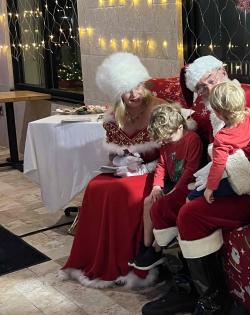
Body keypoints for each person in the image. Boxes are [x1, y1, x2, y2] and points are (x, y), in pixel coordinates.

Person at [141, 56, 250, 314]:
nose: (208, 90)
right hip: (220, 180)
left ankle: (214, 301)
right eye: (201, 88)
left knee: (190, 214)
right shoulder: (215, 108)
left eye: (210, 81)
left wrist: (228, 175)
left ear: (223, 72)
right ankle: (185, 287)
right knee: (164, 208)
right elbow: (195, 121)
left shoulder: (249, 100)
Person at [60, 52, 168, 289]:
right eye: (127, 89)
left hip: (155, 171)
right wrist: (122, 159)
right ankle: (96, 257)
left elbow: (170, 151)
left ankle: (131, 261)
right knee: (95, 186)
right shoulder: (114, 114)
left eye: (138, 87)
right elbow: (114, 151)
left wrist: (143, 167)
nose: (134, 94)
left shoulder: (159, 109)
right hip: (127, 170)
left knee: (121, 192)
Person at [128, 103, 203, 270]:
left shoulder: (192, 140)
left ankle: (157, 247)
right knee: (149, 201)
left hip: (187, 185)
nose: (165, 141)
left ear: (179, 126)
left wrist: (174, 192)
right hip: (172, 183)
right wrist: (157, 186)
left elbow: (191, 170)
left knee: (162, 206)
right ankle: (147, 246)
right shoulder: (167, 142)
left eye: (167, 137)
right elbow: (161, 166)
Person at [186, 81, 250, 204]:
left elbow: (218, 166)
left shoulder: (222, 137)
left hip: (233, 179)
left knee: (190, 198)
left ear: (218, 114)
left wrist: (210, 189)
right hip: (249, 169)